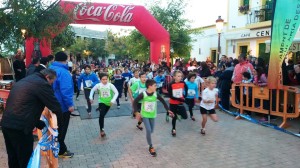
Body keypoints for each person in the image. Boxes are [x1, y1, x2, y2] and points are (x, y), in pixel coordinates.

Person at [1, 69, 63, 168]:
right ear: (47, 77)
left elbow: (25, 105)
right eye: (52, 82)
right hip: (21, 127)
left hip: (7, 123)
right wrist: (59, 127)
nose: (51, 85)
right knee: (25, 158)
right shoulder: (42, 84)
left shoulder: (27, 80)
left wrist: (37, 122)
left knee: (13, 156)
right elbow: (55, 106)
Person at [133, 79, 174, 157]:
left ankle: (147, 135)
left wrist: (168, 110)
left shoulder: (156, 94)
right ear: (150, 86)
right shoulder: (143, 94)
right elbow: (135, 102)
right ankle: (151, 146)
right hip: (145, 114)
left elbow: (163, 101)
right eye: (155, 85)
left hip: (152, 115)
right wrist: (136, 112)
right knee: (148, 130)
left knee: (151, 131)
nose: (156, 87)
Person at [50, 51, 75, 158]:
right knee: (62, 128)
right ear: (66, 60)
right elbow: (66, 90)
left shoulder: (50, 69)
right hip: (62, 106)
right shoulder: (64, 72)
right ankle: (61, 150)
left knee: (54, 128)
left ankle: (58, 148)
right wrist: (70, 105)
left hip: (51, 104)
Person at [89, 73, 119, 137]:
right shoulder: (98, 85)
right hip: (101, 102)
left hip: (109, 103)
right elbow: (92, 90)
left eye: (106, 79)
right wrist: (91, 98)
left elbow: (116, 93)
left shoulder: (110, 85)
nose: (105, 81)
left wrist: (113, 100)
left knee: (103, 115)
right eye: (103, 79)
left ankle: (99, 110)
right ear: (100, 80)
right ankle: (102, 130)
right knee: (101, 115)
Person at [167, 70, 188, 136]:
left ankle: (176, 115)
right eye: (178, 76)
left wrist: (185, 96)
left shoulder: (183, 83)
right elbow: (170, 96)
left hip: (180, 102)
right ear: (174, 77)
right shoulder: (171, 84)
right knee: (174, 117)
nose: (180, 77)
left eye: (181, 76)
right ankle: (173, 129)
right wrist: (180, 99)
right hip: (173, 103)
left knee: (185, 117)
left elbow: (186, 88)